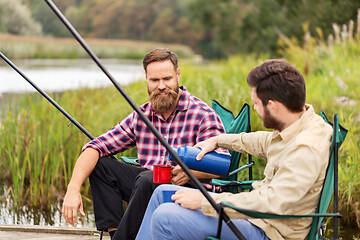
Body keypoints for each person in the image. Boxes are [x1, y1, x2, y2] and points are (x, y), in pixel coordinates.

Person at [136, 59, 333, 240]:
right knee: (162, 193)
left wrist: (207, 200)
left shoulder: (306, 150)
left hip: (268, 231)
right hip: (255, 219)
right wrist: (219, 140)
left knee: (165, 217)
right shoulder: (302, 122)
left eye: (257, 104)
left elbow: (273, 203)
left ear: (273, 107)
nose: (255, 109)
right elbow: (264, 141)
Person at [61, 48, 228, 240]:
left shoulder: (202, 114)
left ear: (178, 75)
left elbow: (222, 164)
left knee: (148, 179)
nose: (162, 86)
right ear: (146, 79)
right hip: (145, 187)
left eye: (167, 79)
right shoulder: (141, 116)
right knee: (101, 165)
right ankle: (115, 233)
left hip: (188, 192)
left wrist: (190, 172)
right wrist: (73, 190)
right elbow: (95, 146)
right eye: (155, 80)